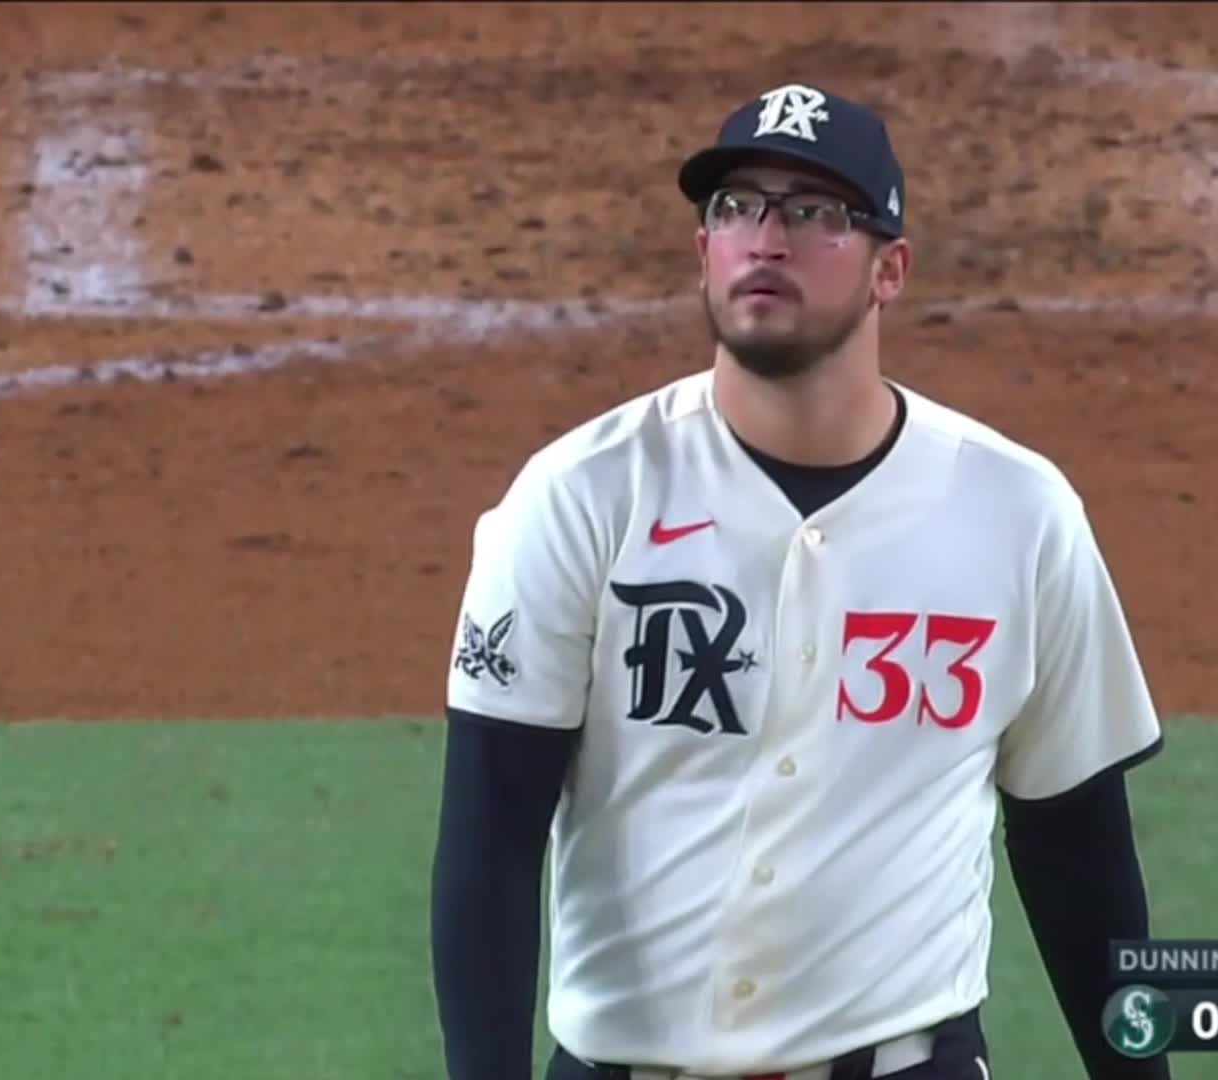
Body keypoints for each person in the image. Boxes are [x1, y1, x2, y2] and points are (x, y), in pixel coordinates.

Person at [431, 82, 1172, 1080]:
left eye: (814, 212)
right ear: (704, 254)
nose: (764, 238)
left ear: (889, 270)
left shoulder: (1019, 516)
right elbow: (489, 845)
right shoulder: (580, 499)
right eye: (736, 208)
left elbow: (1077, 855)